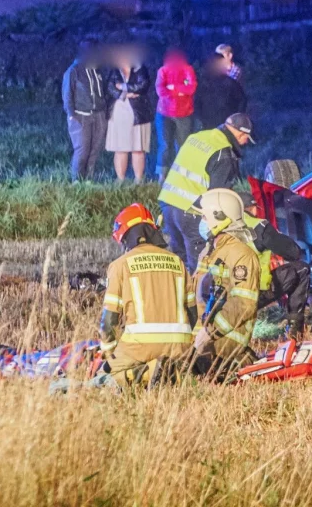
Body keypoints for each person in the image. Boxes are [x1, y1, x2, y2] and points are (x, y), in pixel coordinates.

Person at [98, 203, 196, 388]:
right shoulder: (178, 262)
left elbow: (109, 320)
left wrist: (108, 354)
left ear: (126, 237)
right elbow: (192, 313)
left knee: (104, 378)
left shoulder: (120, 265)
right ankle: (173, 371)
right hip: (179, 346)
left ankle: (147, 372)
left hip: (139, 345)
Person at [157, 112, 255, 272]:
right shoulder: (224, 153)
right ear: (241, 133)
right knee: (200, 267)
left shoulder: (198, 137)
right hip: (191, 212)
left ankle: (180, 295)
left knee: (180, 264)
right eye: (246, 139)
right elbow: (218, 197)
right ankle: (198, 296)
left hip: (168, 203)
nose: (245, 143)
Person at [191, 189, 261, 382]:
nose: (201, 222)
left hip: (223, 347)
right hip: (203, 342)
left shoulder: (241, 254)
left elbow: (243, 305)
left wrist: (210, 332)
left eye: (204, 217)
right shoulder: (210, 252)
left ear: (220, 218)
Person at [239, 192, 312, 339]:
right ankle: (294, 330)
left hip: (232, 298)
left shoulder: (223, 229)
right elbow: (292, 252)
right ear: (252, 208)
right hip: (256, 292)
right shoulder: (257, 226)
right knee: (302, 269)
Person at [105, 44, 153, 183]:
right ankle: (121, 179)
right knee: (120, 148)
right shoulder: (114, 71)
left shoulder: (140, 70)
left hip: (138, 114)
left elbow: (143, 85)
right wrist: (125, 94)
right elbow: (110, 88)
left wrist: (123, 87)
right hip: (119, 114)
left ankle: (139, 180)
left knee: (138, 148)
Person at [62, 41, 107, 182]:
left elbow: (101, 92)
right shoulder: (73, 70)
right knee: (82, 151)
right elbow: (67, 94)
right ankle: (77, 181)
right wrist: (71, 115)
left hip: (98, 115)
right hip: (80, 116)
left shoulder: (96, 70)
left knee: (94, 150)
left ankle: (89, 181)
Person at [155, 48, 197, 181]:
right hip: (164, 112)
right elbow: (161, 91)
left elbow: (191, 88)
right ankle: (162, 176)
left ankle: (181, 175)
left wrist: (173, 88)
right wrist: (180, 90)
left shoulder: (188, 69)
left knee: (183, 145)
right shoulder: (163, 70)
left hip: (184, 113)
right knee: (165, 145)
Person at [196, 53, 247, 130]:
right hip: (209, 123)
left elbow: (242, 100)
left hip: (225, 123)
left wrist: (235, 118)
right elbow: (197, 101)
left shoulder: (230, 83)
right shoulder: (204, 83)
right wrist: (201, 118)